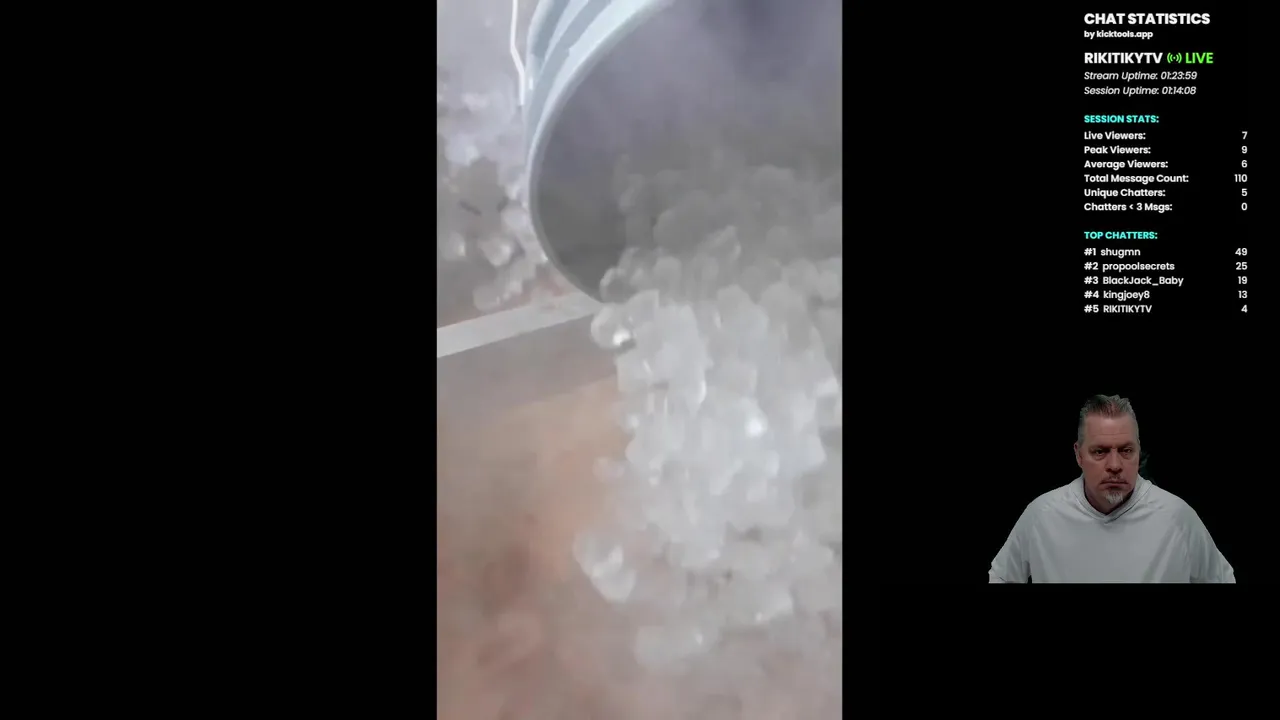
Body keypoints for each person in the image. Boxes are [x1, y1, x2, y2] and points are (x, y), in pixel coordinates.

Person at [988, 394, 1235, 583]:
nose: (1115, 465)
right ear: (1078, 454)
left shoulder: (1177, 518)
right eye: (1100, 451)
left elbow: (1222, 579)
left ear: (1138, 452)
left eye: (1126, 451)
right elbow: (1001, 576)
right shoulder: (1042, 516)